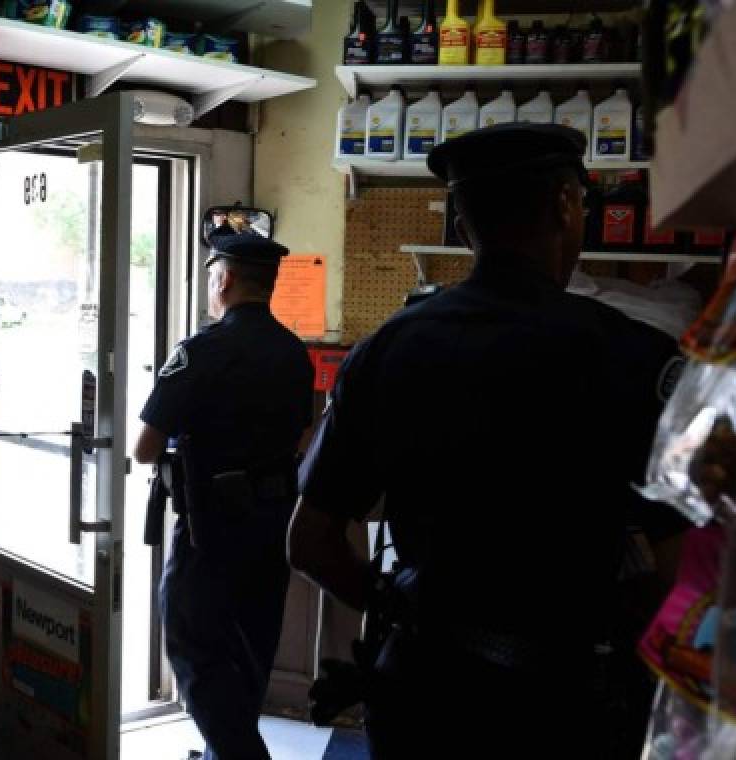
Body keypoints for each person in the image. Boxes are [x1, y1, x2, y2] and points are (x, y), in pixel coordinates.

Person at [288, 123, 686, 758]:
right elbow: (674, 570)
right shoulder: (632, 356)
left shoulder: (386, 352)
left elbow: (309, 542)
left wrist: (397, 609)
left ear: (461, 222)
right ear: (564, 205)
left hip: (424, 695)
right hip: (567, 706)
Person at [134, 232, 315, 760]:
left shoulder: (200, 352)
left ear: (224, 279)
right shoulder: (293, 354)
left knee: (195, 650)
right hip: (274, 529)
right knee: (249, 654)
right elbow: (302, 440)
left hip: (210, 533)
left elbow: (146, 449)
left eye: (213, 275)